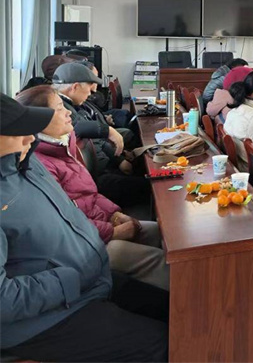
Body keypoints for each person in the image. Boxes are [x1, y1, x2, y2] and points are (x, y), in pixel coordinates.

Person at [0, 93, 168, 362]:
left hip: (92, 281)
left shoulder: (28, 165)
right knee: (165, 344)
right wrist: (68, 280)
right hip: (46, 318)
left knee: (177, 311)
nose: (30, 138)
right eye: (18, 132)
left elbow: (72, 211)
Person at [15, 86, 168, 291]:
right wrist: (112, 232)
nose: (69, 112)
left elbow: (90, 194)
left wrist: (114, 214)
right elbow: (65, 224)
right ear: (39, 119)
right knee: (164, 261)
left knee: (162, 232)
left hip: (98, 225)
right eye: (60, 108)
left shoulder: (64, 146)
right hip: (82, 246)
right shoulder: (41, 165)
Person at [52, 62, 150, 207]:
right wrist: (108, 130)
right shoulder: (60, 108)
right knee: (151, 187)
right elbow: (76, 127)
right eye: (88, 89)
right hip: (96, 178)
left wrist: (119, 159)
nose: (91, 93)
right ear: (75, 87)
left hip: (101, 166)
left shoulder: (74, 104)